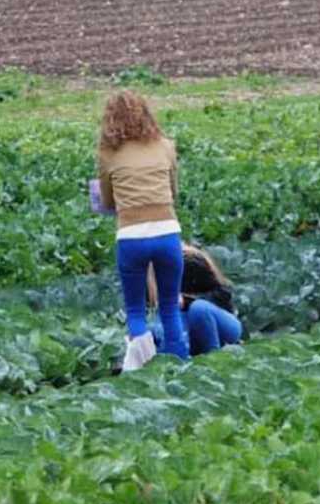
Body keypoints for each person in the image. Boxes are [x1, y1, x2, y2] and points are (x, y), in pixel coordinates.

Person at [96, 90, 187, 371]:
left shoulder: (107, 154)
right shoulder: (165, 146)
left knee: (136, 310)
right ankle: (180, 370)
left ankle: (142, 370)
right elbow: (173, 191)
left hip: (131, 236)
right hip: (167, 232)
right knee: (170, 307)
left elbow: (108, 200)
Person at [146, 244, 244, 357]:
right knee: (155, 329)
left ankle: (213, 359)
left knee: (199, 309)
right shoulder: (149, 275)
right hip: (186, 326)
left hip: (218, 321)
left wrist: (187, 300)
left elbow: (223, 294)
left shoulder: (190, 259)